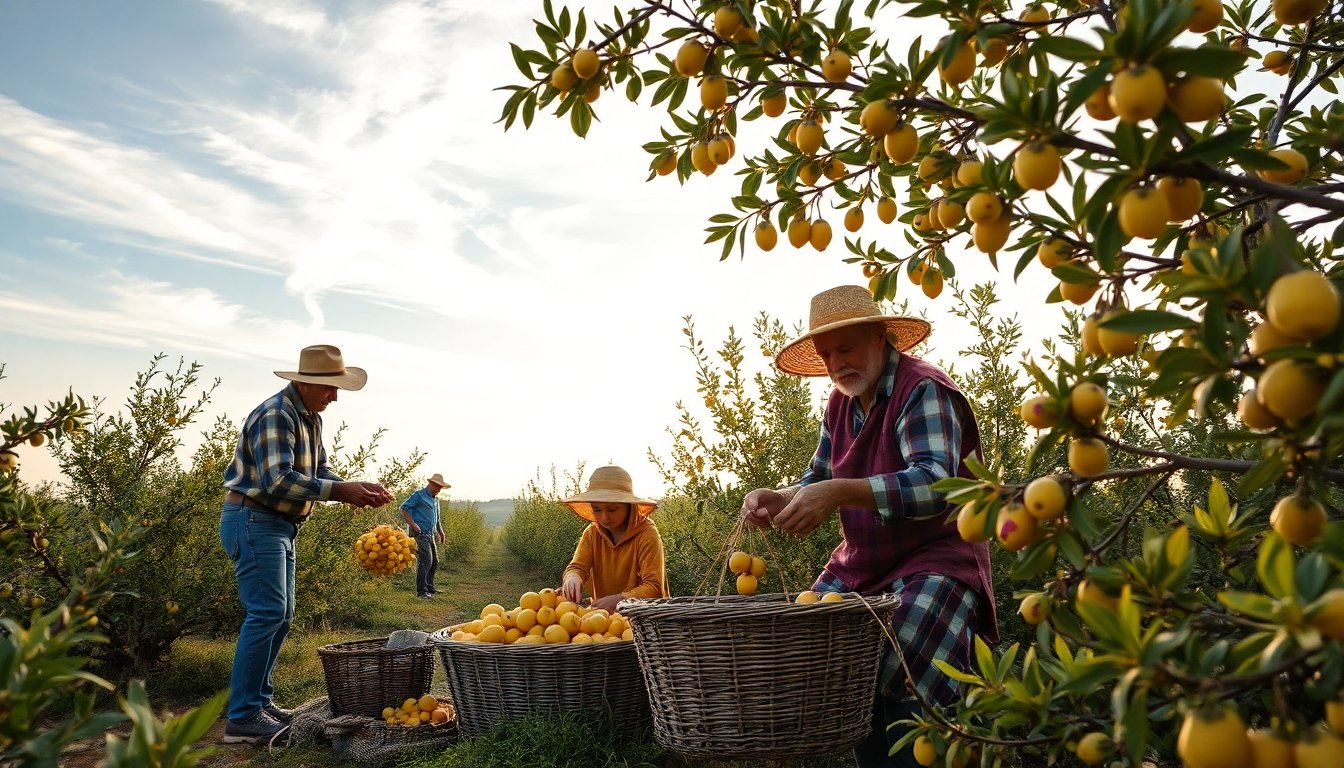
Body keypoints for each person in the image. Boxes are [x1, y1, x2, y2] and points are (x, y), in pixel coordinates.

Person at [740, 285, 998, 768]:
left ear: (880, 337)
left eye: (847, 347)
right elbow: (817, 478)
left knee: (907, 648)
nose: (836, 363)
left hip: (937, 556)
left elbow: (937, 485)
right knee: (829, 646)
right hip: (866, 564)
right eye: (827, 354)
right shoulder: (841, 403)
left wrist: (839, 492)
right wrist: (779, 498)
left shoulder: (922, 389)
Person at [219, 344, 394, 745]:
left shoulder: (309, 417)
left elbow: (319, 471)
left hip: (279, 525)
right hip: (254, 519)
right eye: (330, 388)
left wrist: (355, 487)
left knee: (280, 614)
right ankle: (242, 718)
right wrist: (339, 491)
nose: (335, 397)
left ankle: (258, 703)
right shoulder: (276, 414)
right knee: (266, 613)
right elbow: (276, 480)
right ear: (306, 381)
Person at [558, 465, 669, 612]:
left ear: (629, 506)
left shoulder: (647, 534)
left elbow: (654, 586)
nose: (604, 517)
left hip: (645, 617)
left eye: (612, 509)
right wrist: (572, 578)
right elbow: (577, 566)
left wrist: (621, 599)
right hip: (603, 620)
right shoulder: (592, 533)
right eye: (597, 509)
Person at [400, 473, 450, 599]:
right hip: (419, 533)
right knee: (426, 560)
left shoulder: (436, 500)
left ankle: (429, 588)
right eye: (437, 487)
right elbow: (403, 509)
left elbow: (437, 518)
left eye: (441, 488)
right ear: (431, 484)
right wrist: (413, 524)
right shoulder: (419, 495)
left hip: (430, 533)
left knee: (434, 561)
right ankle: (421, 592)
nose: (439, 490)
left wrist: (441, 531)